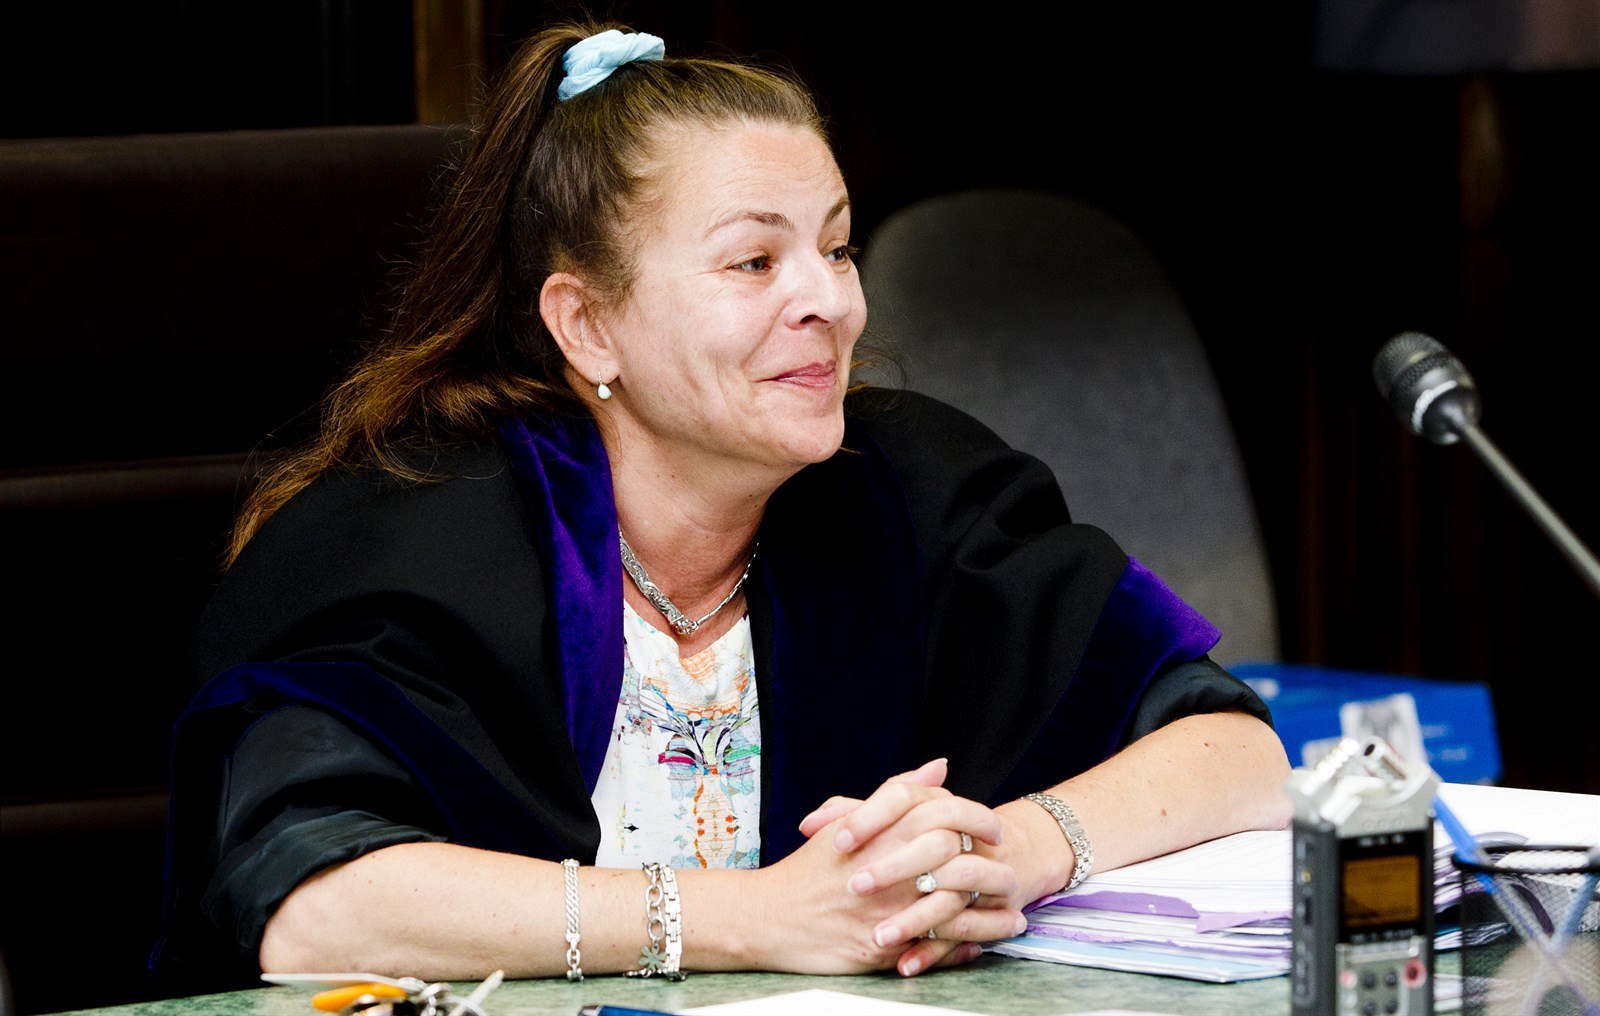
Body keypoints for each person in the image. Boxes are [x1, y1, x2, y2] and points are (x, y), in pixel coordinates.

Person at [153, 20, 1291, 992]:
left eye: (837, 248)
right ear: (586, 325)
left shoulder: (911, 485)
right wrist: (761, 916)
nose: (827, 301)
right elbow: (309, 908)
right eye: (754, 262)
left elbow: (1237, 750)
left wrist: (1016, 850)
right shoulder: (422, 533)